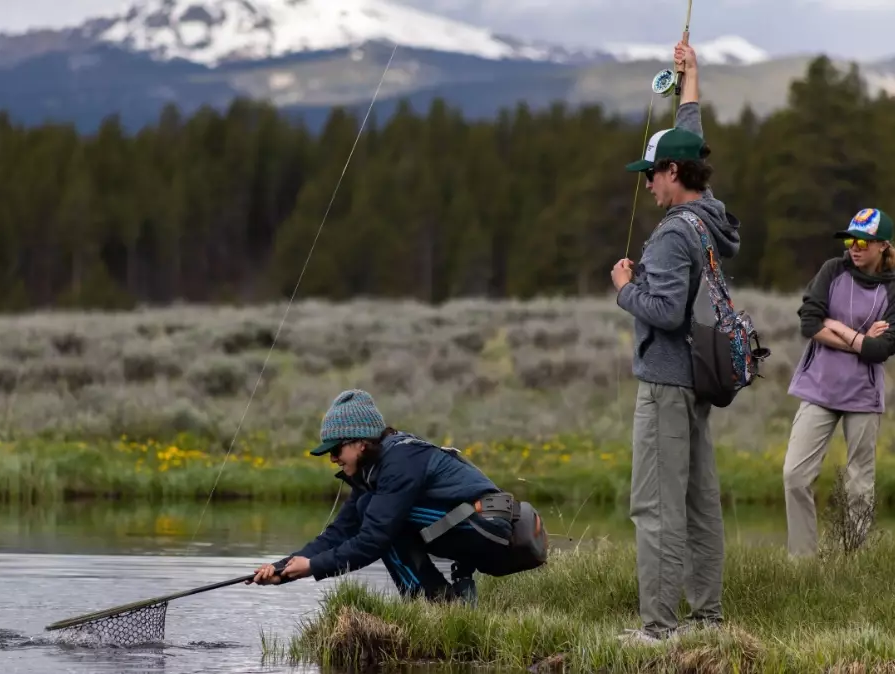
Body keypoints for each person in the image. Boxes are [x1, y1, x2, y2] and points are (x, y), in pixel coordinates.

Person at [610, 41, 741, 643]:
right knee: (699, 505)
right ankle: (708, 620)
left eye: (652, 176)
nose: (648, 187)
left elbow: (662, 311)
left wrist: (624, 288)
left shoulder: (668, 237)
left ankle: (658, 629)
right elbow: (690, 135)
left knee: (656, 509)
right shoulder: (709, 214)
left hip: (665, 382)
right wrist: (691, 80)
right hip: (696, 381)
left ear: (673, 174)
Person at [249, 389, 544, 604]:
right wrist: (283, 568)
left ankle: (434, 605)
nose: (333, 459)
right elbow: (339, 532)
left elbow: (371, 541)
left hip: (489, 525)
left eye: (335, 450)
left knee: (378, 523)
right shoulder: (375, 472)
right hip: (469, 522)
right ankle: (438, 602)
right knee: (372, 514)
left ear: (361, 443)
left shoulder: (400, 462)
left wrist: (312, 567)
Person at [783, 208, 895, 558]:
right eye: (850, 240)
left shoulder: (892, 288)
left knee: (860, 482)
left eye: (862, 241)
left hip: (863, 395)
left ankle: (854, 561)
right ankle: (802, 562)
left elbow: (881, 351)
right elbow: (809, 325)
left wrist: (838, 328)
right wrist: (859, 337)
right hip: (819, 388)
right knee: (795, 475)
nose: (854, 248)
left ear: (883, 247)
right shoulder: (832, 270)